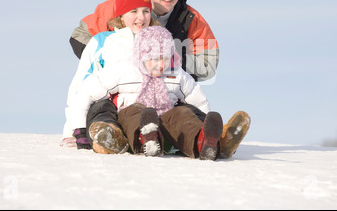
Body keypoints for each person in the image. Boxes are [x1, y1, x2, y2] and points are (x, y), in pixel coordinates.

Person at [66, 27, 250, 160]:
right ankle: (145, 139)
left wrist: (204, 123)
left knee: (182, 113)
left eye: (164, 59)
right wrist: (80, 130)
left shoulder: (176, 74)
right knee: (134, 112)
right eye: (154, 59)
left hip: (168, 123)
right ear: (141, 56)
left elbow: (197, 100)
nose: (160, 65)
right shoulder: (123, 71)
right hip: (132, 118)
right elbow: (85, 95)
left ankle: (203, 142)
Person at [69, 0, 219, 82]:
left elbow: (208, 65)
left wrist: (169, 58)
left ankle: (202, 117)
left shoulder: (190, 19)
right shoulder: (118, 8)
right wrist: (111, 58)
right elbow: (79, 36)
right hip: (117, 86)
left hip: (168, 89)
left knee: (187, 110)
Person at [61, 0, 159, 148]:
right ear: (121, 16)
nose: (141, 18)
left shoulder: (159, 41)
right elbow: (80, 85)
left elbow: (175, 79)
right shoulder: (101, 42)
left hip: (144, 109)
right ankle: (108, 136)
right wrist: (72, 129)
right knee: (101, 108)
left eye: (146, 11)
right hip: (107, 107)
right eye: (134, 11)